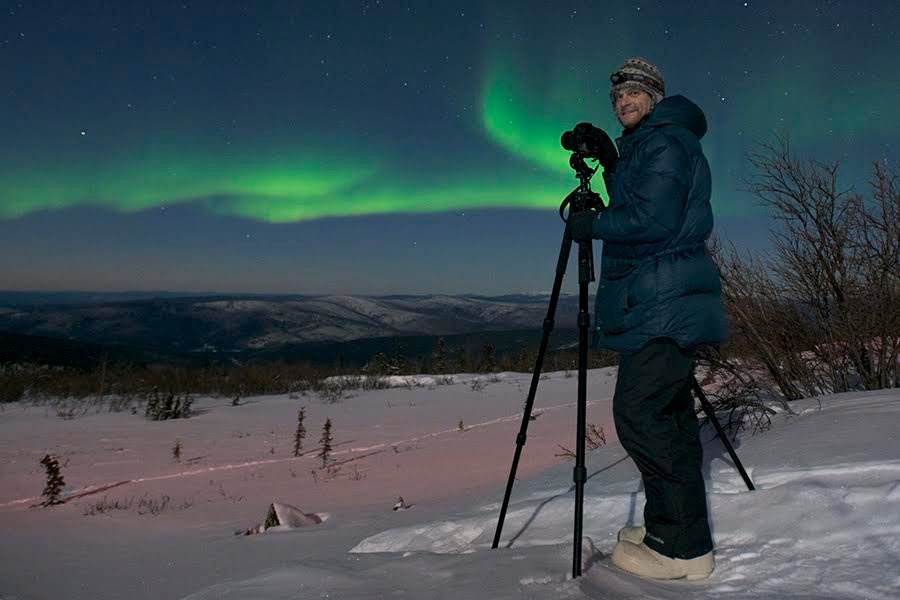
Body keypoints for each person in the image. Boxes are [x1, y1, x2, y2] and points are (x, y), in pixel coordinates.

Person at [569, 57, 727, 580]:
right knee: (672, 419)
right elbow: (642, 197)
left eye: (634, 94)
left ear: (655, 97)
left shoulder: (664, 141)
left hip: (664, 300)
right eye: (617, 98)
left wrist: (590, 223)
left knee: (640, 415)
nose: (623, 103)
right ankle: (675, 527)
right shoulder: (654, 141)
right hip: (661, 298)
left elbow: (652, 219)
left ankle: (678, 549)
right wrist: (612, 161)